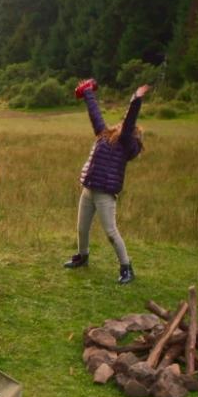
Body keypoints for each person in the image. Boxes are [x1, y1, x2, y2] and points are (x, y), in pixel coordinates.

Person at [64, 79, 149, 284]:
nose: (120, 124)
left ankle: (126, 268)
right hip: (89, 189)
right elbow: (95, 114)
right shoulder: (104, 134)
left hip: (105, 194)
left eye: (126, 127)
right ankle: (82, 257)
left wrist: (135, 100)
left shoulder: (125, 142)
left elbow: (129, 121)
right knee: (82, 228)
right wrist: (88, 93)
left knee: (111, 233)